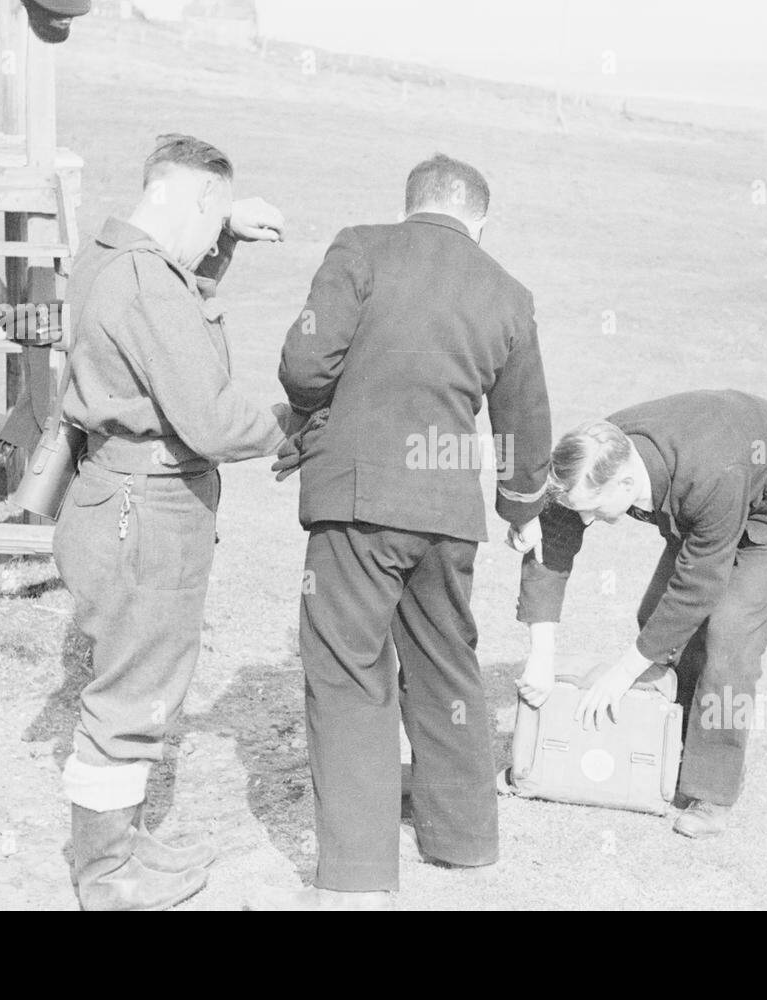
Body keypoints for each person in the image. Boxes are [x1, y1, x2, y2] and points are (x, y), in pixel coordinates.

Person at [252, 154, 552, 909]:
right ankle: (465, 839)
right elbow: (525, 424)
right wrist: (520, 511)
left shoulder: (361, 247)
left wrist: (320, 406)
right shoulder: (510, 295)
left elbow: (304, 364)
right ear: (480, 219)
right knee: (448, 664)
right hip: (449, 516)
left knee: (351, 672)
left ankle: (356, 877)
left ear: (411, 202)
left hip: (359, 502)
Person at [53, 133, 294, 910]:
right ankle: (105, 877)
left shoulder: (102, 253)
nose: (210, 238)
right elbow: (214, 420)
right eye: (213, 217)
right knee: (130, 701)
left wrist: (221, 239)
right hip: (146, 510)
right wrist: (301, 426)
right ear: (193, 197)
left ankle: (117, 845)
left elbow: (165, 314)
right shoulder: (149, 286)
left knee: (131, 683)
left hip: (110, 495)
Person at [512, 390, 767, 838]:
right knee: (656, 618)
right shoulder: (593, 457)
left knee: (728, 639)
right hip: (718, 497)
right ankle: (674, 744)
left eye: (592, 508)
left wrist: (621, 673)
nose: (585, 518)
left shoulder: (708, 474)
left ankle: (712, 790)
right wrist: (541, 655)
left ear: (627, 485)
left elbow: (698, 586)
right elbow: (553, 541)